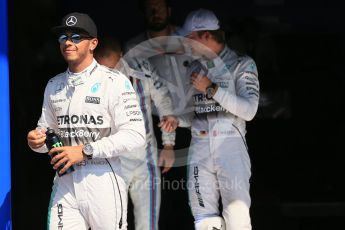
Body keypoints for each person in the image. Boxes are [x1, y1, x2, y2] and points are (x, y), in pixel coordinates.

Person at [26, 12, 146, 230]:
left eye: (76, 37)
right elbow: (46, 134)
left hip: (103, 178)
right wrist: (36, 141)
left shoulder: (114, 81)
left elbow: (136, 135)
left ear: (93, 44)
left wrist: (85, 150)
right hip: (65, 181)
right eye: (63, 37)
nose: (68, 42)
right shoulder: (54, 85)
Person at [178, 9, 260, 230]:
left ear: (205, 36)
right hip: (199, 147)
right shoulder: (194, 68)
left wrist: (211, 89)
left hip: (230, 145)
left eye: (190, 38)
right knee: (204, 220)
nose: (186, 44)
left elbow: (249, 110)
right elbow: (196, 114)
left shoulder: (242, 64)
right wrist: (175, 120)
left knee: (237, 217)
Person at [94, 36, 178, 230]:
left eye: (114, 66)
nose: (111, 73)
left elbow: (164, 100)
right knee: (110, 223)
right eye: (105, 69)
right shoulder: (88, 78)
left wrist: (168, 144)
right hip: (111, 162)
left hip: (145, 160)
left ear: (122, 56)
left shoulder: (142, 68)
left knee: (147, 224)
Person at [125, 1, 195, 228]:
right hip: (155, 128)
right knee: (157, 200)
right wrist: (167, 144)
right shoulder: (134, 47)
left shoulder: (187, 42)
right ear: (144, 13)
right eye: (150, 8)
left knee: (190, 195)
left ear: (170, 10)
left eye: (160, 7)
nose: (155, 13)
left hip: (190, 127)